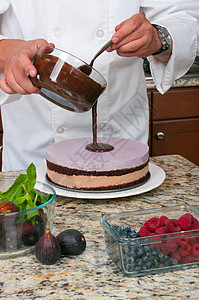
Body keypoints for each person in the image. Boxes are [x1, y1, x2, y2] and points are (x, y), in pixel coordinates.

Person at [0, 1, 198, 171]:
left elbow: (185, 16)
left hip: (122, 145)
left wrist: (158, 38)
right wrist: (10, 52)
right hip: (32, 151)